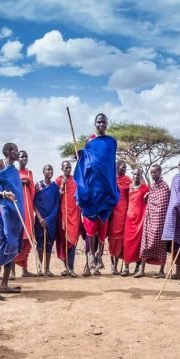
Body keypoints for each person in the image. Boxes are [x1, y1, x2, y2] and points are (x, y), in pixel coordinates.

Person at [74, 113, 119, 275]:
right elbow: (85, 162)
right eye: (99, 122)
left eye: (104, 122)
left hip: (106, 189)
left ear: (107, 124)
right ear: (95, 124)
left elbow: (109, 165)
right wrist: (79, 155)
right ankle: (91, 255)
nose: (101, 124)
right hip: (92, 189)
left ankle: (99, 255)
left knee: (104, 225)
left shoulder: (111, 142)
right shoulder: (89, 142)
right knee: (91, 225)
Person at [0, 143, 25, 300]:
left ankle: (4, 284)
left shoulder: (14, 170)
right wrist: (2, 193)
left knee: (13, 245)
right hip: (3, 214)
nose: (17, 152)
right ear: (8, 152)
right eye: (15, 150)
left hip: (15, 214)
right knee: (1, 246)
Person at [136, 164, 170, 278]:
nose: (152, 174)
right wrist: (147, 196)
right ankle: (142, 269)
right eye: (151, 173)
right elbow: (149, 199)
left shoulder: (164, 187)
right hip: (149, 219)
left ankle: (161, 271)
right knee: (145, 243)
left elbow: (164, 205)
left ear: (160, 173)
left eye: (155, 172)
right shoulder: (152, 186)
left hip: (160, 221)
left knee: (161, 245)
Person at [56, 160, 81, 277]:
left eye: (69, 167)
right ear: (62, 169)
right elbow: (55, 197)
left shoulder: (75, 181)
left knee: (72, 241)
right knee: (63, 242)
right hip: (63, 215)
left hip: (74, 215)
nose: (67, 169)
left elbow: (79, 196)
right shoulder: (58, 180)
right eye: (65, 168)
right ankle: (66, 267)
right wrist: (62, 186)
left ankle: (71, 268)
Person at [34, 164, 60, 277]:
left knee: (49, 244)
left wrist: (48, 219)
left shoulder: (55, 187)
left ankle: (47, 268)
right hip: (39, 220)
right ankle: (39, 267)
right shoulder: (38, 185)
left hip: (51, 220)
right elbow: (33, 203)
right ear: (43, 172)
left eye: (51, 169)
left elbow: (56, 205)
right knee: (40, 244)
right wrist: (40, 218)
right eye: (48, 169)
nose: (50, 171)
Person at [14, 150, 37, 278]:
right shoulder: (13, 172)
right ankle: (11, 271)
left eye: (26, 157)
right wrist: (21, 182)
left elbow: (32, 189)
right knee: (16, 238)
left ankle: (25, 270)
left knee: (27, 238)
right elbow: (12, 187)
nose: (24, 158)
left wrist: (29, 183)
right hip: (18, 207)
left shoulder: (29, 173)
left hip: (28, 207)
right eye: (22, 156)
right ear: (17, 158)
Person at [122, 168, 149, 276]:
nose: (136, 176)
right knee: (127, 242)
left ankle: (138, 267)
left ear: (141, 176)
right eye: (135, 174)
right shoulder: (129, 187)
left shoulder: (145, 188)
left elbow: (149, 201)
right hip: (129, 218)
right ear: (132, 175)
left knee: (139, 244)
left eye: (138, 175)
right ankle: (126, 267)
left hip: (140, 220)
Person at [108, 160, 132, 275]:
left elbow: (132, 194)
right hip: (112, 213)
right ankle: (113, 265)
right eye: (122, 167)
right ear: (117, 167)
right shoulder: (111, 179)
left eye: (125, 168)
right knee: (113, 239)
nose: (124, 169)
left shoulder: (128, 180)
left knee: (122, 240)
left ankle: (119, 265)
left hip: (124, 213)